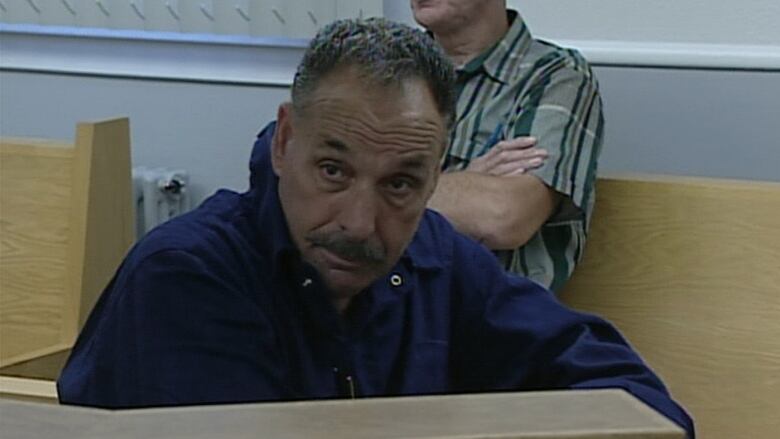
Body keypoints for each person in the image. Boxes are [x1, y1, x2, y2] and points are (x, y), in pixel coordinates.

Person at [57, 18, 693, 437]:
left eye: (400, 184)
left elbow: (641, 406)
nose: (361, 224)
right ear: (284, 143)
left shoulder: (438, 260)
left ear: (436, 176)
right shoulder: (185, 277)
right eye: (333, 170)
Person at [411, 0, 605, 292]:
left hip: (485, 319)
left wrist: (394, 190)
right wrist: (467, 182)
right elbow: (332, 202)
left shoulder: (556, 74)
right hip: (380, 309)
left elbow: (502, 216)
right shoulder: (384, 73)